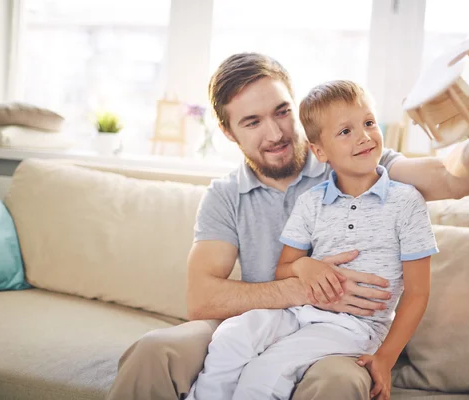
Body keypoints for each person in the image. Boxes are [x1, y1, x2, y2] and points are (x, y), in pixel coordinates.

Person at [106, 52, 469, 400]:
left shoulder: (356, 163)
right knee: (153, 352)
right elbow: (202, 300)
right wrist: (311, 282)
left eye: (281, 112)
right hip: (263, 321)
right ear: (228, 132)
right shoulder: (225, 195)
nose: (275, 132)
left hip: (341, 333)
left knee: (334, 384)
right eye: (252, 122)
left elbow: (454, 177)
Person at [185, 79, 437, 400]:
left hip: (356, 328)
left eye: (369, 123)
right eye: (345, 131)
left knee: (266, 371)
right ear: (320, 151)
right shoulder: (312, 201)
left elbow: (418, 293)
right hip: (299, 312)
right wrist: (305, 266)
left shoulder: (406, 202)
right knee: (231, 336)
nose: (363, 136)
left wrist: (386, 358)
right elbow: (284, 269)